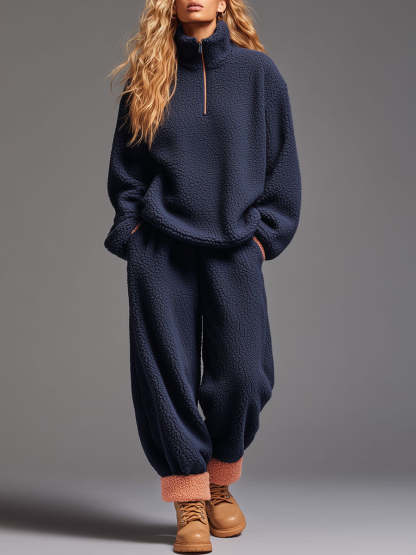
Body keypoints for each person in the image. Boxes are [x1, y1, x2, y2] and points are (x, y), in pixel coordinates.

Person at [104, 0, 301, 552]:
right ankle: (189, 498)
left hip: (234, 247)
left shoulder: (259, 74)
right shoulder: (149, 73)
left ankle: (219, 481)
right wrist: (132, 233)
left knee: (244, 375)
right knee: (165, 376)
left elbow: (282, 164)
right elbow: (126, 168)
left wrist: (264, 237)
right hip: (160, 246)